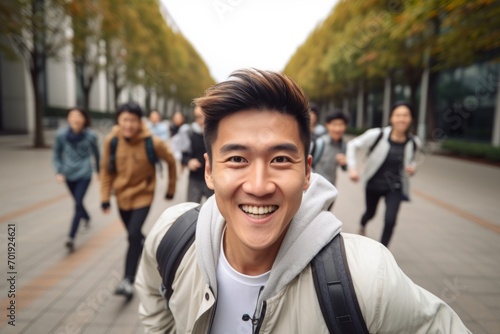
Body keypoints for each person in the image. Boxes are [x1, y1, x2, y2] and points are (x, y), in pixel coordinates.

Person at [135, 69, 469, 333]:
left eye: (280, 159)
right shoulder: (172, 237)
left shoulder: (368, 278)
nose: (259, 185)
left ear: (307, 172)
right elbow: (152, 294)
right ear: (209, 171)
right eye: (237, 159)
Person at [100, 101, 177, 300]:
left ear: (139, 121)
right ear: (118, 120)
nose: (129, 124)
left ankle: (128, 280)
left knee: (133, 234)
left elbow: (170, 161)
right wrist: (105, 197)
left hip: (144, 194)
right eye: (125, 119)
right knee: (135, 237)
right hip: (122, 196)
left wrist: (170, 188)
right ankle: (149, 251)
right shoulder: (112, 140)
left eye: (133, 120)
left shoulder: (151, 141)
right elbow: (106, 170)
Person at [346, 101, 420, 247]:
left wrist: (413, 168)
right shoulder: (377, 135)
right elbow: (352, 145)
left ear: (411, 119)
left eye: (406, 115)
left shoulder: (414, 142)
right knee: (370, 213)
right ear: (391, 118)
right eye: (398, 115)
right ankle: (363, 224)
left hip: (395, 187)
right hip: (373, 184)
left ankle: (383, 250)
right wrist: (352, 169)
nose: (402, 119)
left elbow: (413, 161)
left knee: (390, 220)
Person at [53, 107, 100, 252]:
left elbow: (97, 154)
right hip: (68, 174)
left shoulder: (91, 136)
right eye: (72, 116)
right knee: (78, 202)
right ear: (68, 119)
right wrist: (58, 171)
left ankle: (71, 237)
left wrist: (99, 171)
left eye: (79, 116)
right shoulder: (61, 135)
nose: (75, 119)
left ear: (84, 119)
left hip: (85, 174)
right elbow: (56, 154)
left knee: (78, 202)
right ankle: (86, 216)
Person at [180, 106, 213, 203]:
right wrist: (188, 161)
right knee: (192, 207)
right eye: (198, 117)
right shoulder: (190, 132)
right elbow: (183, 154)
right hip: (195, 178)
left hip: (212, 178)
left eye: (204, 116)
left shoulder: (215, 133)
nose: (202, 120)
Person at [312, 110, 348, 186]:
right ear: (327, 125)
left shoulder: (343, 145)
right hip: (314, 186)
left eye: (341, 125)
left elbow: (344, 168)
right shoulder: (318, 143)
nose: (337, 129)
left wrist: (344, 164)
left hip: (331, 186)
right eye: (334, 125)